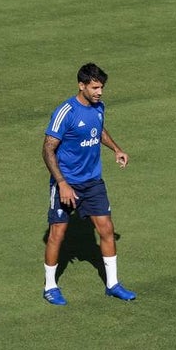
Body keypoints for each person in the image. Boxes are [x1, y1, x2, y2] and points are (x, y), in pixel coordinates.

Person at [43, 63, 135, 304]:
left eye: (101, 87)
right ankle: (50, 286)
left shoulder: (98, 107)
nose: (99, 92)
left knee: (106, 229)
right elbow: (48, 149)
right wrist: (62, 183)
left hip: (93, 182)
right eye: (95, 87)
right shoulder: (66, 112)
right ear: (81, 85)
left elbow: (99, 130)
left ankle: (113, 284)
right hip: (67, 183)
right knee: (57, 233)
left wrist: (116, 149)